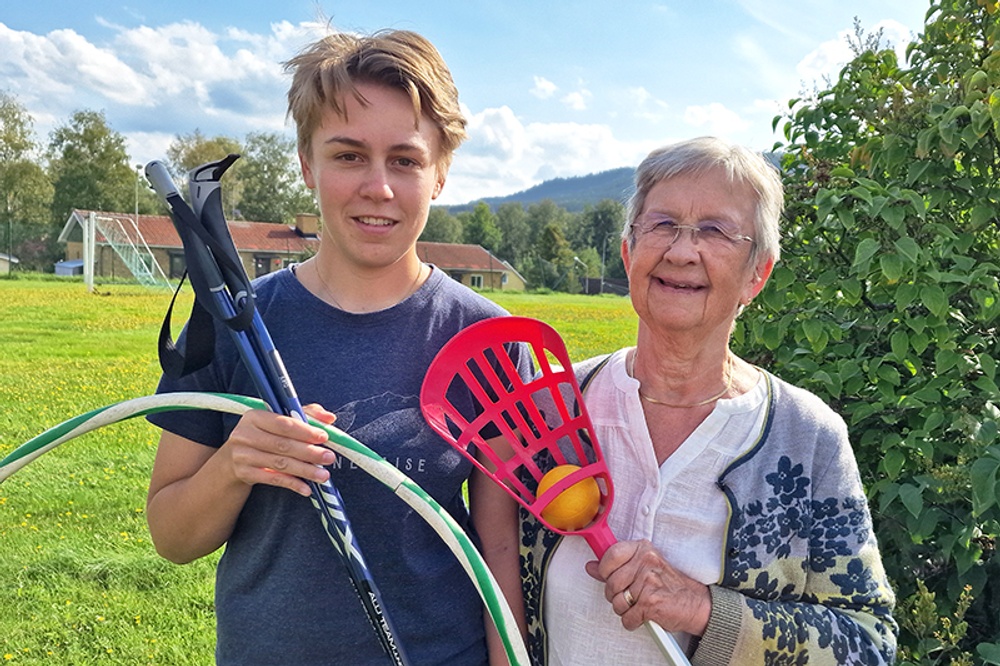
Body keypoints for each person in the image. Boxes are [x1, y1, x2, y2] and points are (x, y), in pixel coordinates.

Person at [146, 29, 529, 665]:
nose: (377, 186)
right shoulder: (233, 323)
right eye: (348, 155)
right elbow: (172, 533)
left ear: (440, 174)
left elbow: (498, 555)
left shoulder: (485, 341)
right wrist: (236, 463)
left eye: (405, 160)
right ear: (306, 165)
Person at [520, 137, 898, 665]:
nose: (681, 251)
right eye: (662, 224)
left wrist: (702, 609)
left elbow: (868, 644)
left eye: (715, 231)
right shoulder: (555, 408)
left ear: (756, 275)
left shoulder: (806, 437)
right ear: (629, 252)